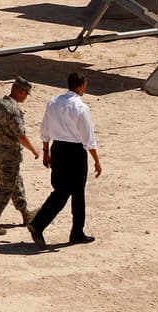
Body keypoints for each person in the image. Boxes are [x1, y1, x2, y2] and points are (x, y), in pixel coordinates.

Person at [27, 71, 102, 248]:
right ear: (81, 85)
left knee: (61, 190)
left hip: (57, 149)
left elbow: (44, 128)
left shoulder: (53, 102)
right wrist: (97, 160)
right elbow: (88, 139)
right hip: (75, 152)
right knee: (77, 193)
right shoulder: (81, 107)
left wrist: (46, 151)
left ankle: (39, 224)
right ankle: (75, 231)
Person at [0, 76, 39, 236]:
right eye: (25, 93)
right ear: (19, 91)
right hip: (10, 154)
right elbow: (20, 136)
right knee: (6, 186)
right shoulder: (13, 109)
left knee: (15, 181)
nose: (26, 96)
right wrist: (34, 150)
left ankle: (25, 213)